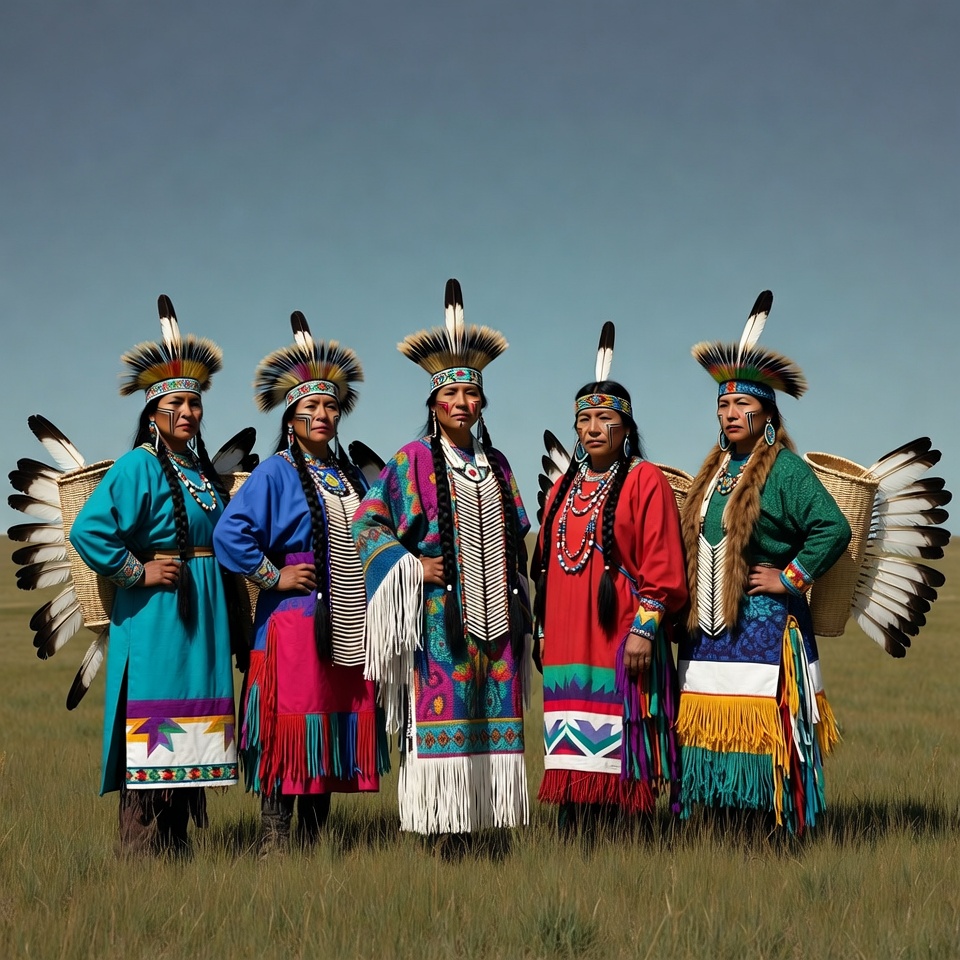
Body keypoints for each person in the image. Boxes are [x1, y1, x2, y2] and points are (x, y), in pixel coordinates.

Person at [353, 278, 530, 837]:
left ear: (481, 402)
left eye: (471, 395)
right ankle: (440, 836)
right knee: (442, 725)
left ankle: (486, 831)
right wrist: (411, 566)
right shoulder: (409, 461)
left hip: (497, 621)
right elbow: (367, 525)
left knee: (492, 721)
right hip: (437, 622)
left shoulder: (498, 463)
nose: (461, 403)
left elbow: (519, 537)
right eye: (449, 395)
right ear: (433, 402)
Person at [69, 295, 240, 856]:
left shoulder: (197, 469)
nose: (189, 412)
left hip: (199, 624)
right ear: (153, 412)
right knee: (154, 727)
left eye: (195, 403)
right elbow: (89, 530)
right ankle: (141, 848)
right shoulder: (138, 466)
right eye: (178, 403)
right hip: (157, 621)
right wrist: (136, 571)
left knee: (188, 731)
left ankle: (177, 841)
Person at [676, 290, 851, 835]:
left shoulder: (786, 472)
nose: (730, 415)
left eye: (742, 406)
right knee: (714, 728)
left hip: (764, 627)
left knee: (764, 732)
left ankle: (771, 826)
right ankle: (720, 821)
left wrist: (789, 577)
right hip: (708, 629)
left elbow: (834, 527)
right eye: (723, 407)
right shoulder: (713, 472)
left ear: (767, 415)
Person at [213, 311, 385, 853]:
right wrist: (274, 575)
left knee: (326, 732)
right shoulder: (276, 473)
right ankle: (274, 842)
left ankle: (312, 843)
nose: (323, 414)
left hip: (347, 624)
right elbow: (228, 534)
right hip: (292, 627)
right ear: (291, 416)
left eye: (332, 405)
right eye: (311, 406)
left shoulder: (349, 478)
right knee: (289, 730)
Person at [534, 324, 687, 834]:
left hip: (618, 632)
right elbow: (543, 564)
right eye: (585, 419)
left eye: (606, 418)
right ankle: (578, 828)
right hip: (566, 640)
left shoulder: (647, 480)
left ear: (625, 427)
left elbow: (662, 563)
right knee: (573, 741)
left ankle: (632, 836)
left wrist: (645, 627)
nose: (594, 427)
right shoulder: (562, 489)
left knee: (623, 745)